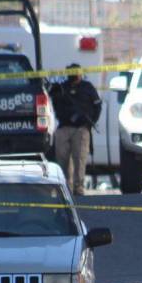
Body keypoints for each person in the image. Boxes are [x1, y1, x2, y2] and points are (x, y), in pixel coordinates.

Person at [51, 63, 102, 195]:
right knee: (62, 160)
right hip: (63, 128)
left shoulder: (87, 87)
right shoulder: (62, 88)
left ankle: (78, 189)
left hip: (81, 129)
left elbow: (97, 107)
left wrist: (89, 123)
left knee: (79, 159)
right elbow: (52, 102)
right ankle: (64, 189)